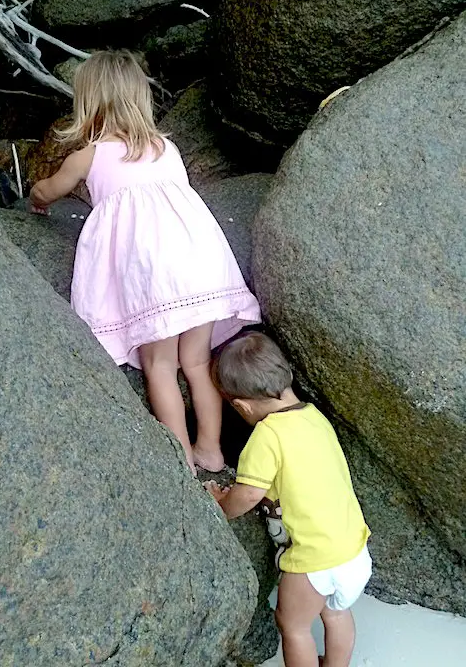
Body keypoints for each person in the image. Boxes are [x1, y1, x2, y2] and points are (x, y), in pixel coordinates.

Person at [29, 50, 261, 475]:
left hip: (155, 276)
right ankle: (211, 447)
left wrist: (34, 199)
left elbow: (49, 190)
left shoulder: (90, 155)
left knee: (160, 365)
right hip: (199, 263)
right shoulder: (167, 148)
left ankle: (182, 462)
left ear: (89, 101)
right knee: (196, 362)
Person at [205, 332, 371, 667]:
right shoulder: (314, 417)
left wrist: (222, 504)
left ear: (241, 406)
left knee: (293, 626)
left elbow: (249, 494)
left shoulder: (267, 435)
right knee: (336, 615)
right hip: (354, 552)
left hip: (314, 562)